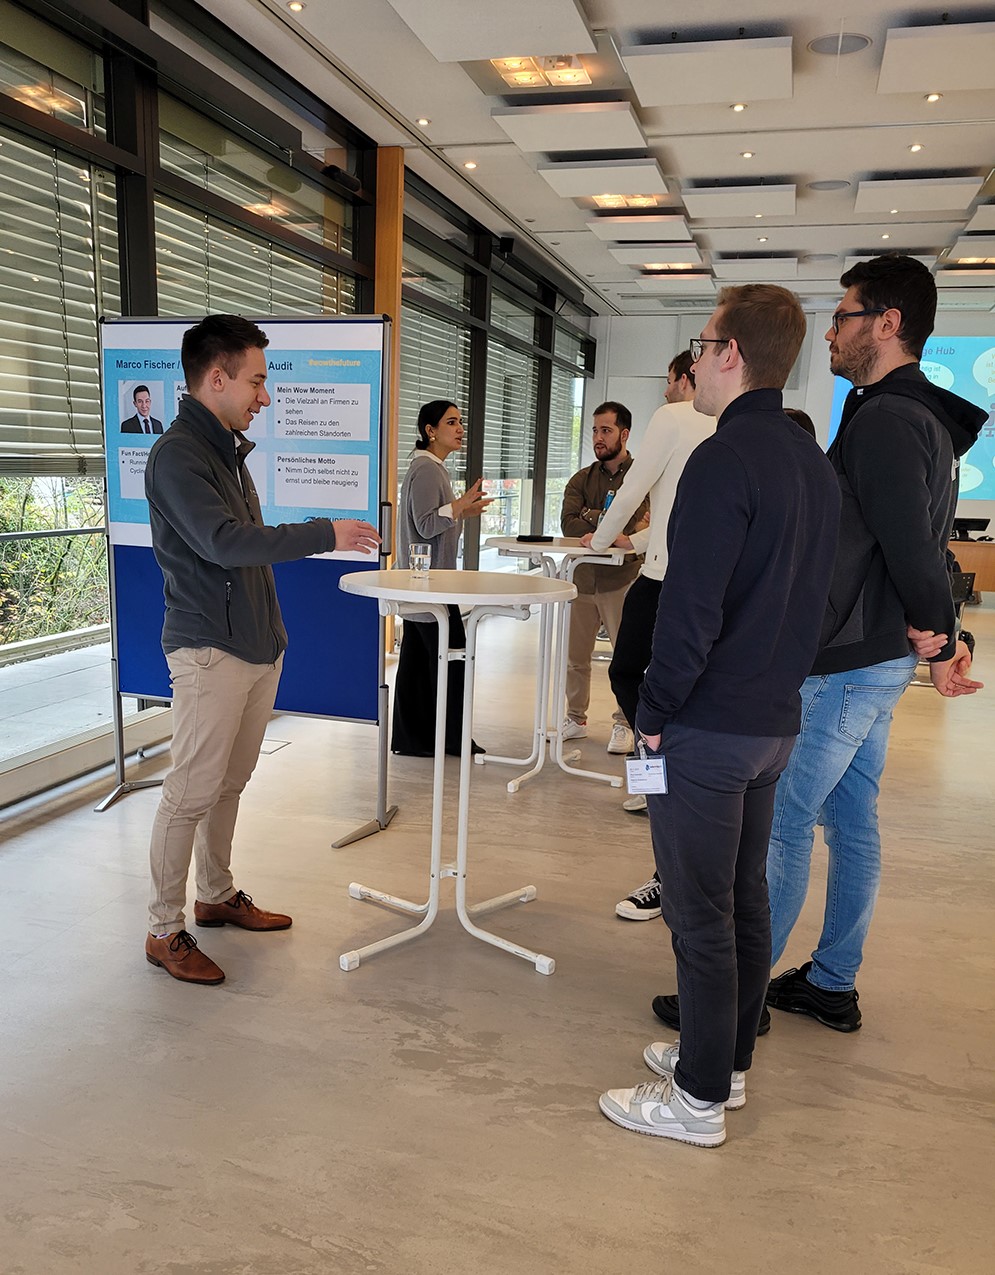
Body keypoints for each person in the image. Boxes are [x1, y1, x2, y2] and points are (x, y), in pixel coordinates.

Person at [598, 284, 840, 1148]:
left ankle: (696, 1100)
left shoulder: (721, 456)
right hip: (771, 724)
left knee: (698, 912)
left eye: (701, 345)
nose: (694, 363)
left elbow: (688, 608)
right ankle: (724, 1063)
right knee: (741, 899)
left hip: (705, 727)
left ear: (729, 353)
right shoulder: (810, 460)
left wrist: (653, 711)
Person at [759, 255, 985, 1031]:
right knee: (850, 818)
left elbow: (909, 546)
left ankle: (733, 1000)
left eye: (843, 316)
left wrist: (941, 639)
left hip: (848, 663)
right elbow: (916, 539)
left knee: (784, 817)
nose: (829, 331)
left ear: (886, 323)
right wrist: (942, 635)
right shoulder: (912, 415)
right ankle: (830, 982)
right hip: (873, 657)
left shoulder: (887, 418)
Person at [143, 314, 380, 986]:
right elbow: (224, 543)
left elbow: (239, 546)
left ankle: (215, 893)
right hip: (208, 650)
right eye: (256, 381)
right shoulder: (178, 456)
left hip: (253, 645)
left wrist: (274, 637)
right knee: (190, 790)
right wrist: (324, 531)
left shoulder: (224, 449)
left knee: (229, 783)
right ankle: (162, 929)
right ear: (216, 378)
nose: (265, 396)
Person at [581, 351, 715, 923]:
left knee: (630, 677)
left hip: (663, 583)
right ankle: (653, 769)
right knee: (677, 697)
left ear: (690, 377)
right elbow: (674, 511)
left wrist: (599, 541)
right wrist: (631, 543)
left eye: (669, 380)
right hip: (702, 582)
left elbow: (635, 491)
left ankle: (653, 768)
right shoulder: (735, 426)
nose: (664, 391)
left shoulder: (676, 417)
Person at [391, 400, 492, 757]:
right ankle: (451, 739)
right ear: (430, 431)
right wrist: (459, 505)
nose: (460, 428)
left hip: (426, 586)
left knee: (418, 665)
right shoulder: (427, 470)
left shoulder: (431, 468)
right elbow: (425, 525)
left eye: (460, 421)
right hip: (430, 587)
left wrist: (462, 509)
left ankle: (413, 740)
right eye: (451, 422)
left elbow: (434, 520)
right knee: (452, 660)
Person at [560, 401, 648, 755]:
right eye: (595, 430)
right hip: (582, 579)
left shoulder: (641, 475)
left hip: (621, 580)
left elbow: (637, 523)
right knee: (575, 657)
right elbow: (568, 524)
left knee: (627, 660)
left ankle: (624, 723)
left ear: (624, 435)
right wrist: (608, 519)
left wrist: (590, 514)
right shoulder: (581, 478)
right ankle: (575, 719)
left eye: (606, 430)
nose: (598, 437)